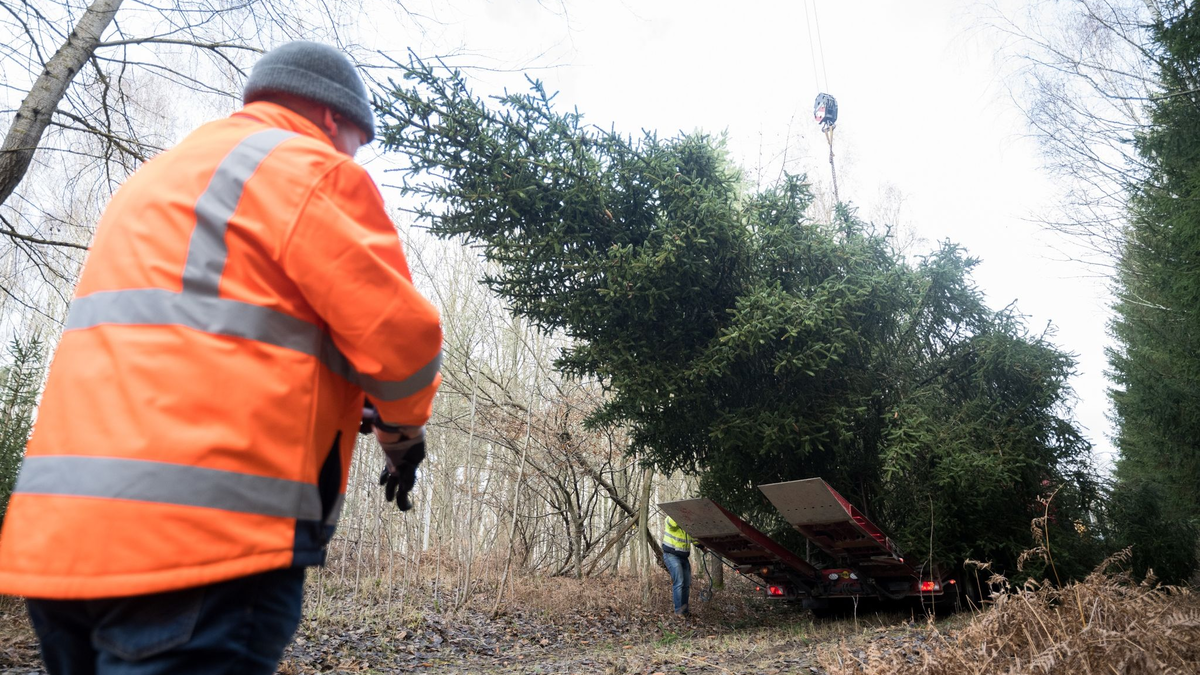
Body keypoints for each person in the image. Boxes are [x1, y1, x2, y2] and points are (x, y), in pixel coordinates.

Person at [0, 42, 443, 675]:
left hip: (58, 547)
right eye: (355, 140)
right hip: (201, 545)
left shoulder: (157, 179)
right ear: (331, 118)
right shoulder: (310, 167)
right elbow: (401, 337)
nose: (352, 156)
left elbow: (205, 340)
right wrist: (403, 435)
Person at [662, 515, 694, 616]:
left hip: (684, 557)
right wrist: (680, 514)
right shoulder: (670, 518)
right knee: (679, 582)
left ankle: (685, 612)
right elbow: (672, 523)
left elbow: (693, 537)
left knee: (686, 584)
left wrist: (702, 547)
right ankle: (678, 613)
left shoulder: (687, 525)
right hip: (672, 555)